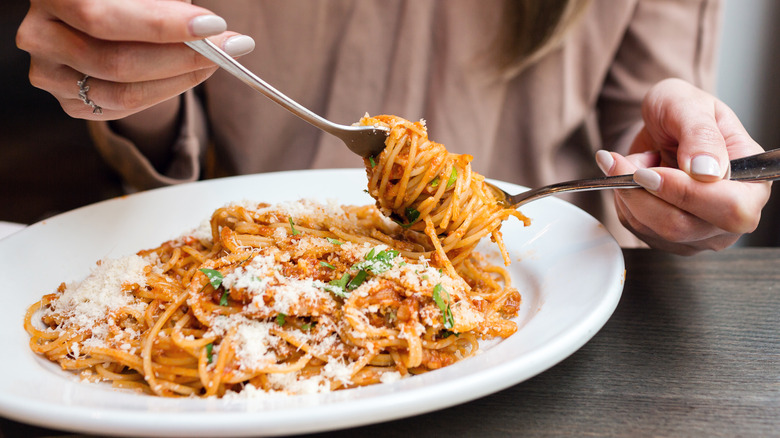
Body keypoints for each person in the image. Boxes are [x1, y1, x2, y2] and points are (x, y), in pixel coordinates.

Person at [15, 0, 771, 255]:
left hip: (538, 293)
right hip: (252, 257)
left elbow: (646, 131)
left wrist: (679, 190)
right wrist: (118, 71)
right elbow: (160, 130)